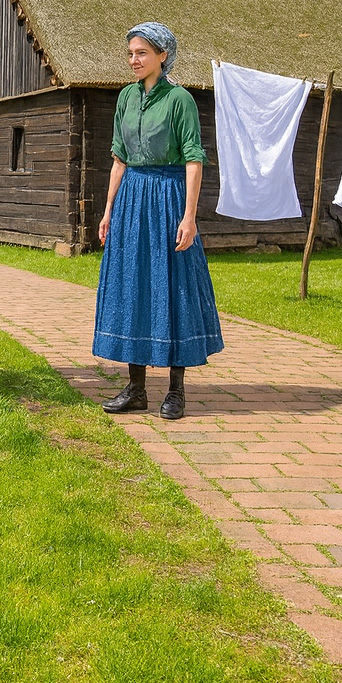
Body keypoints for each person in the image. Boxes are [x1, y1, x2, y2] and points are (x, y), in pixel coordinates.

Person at [94, 22, 224, 420]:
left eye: (142, 53)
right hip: (132, 197)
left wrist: (189, 216)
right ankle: (135, 388)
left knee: (172, 286)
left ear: (162, 56)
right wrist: (108, 210)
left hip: (168, 198)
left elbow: (194, 159)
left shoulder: (180, 99)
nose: (134, 60)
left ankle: (176, 391)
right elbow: (118, 159)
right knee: (132, 285)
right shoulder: (125, 99)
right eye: (131, 53)